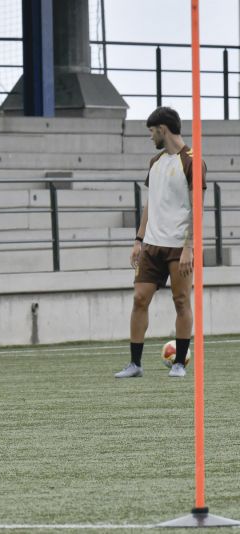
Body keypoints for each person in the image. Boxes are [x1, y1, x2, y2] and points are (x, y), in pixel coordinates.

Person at [115, 106, 206, 379]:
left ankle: (179, 363)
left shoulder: (192, 160)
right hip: (152, 245)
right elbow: (150, 204)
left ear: (162, 129)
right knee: (139, 298)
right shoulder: (155, 162)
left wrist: (190, 247)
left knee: (181, 301)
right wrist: (138, 239)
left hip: (179, 246)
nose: (150, 137)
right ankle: (135, 364)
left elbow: (197, 208)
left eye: (152, 132)